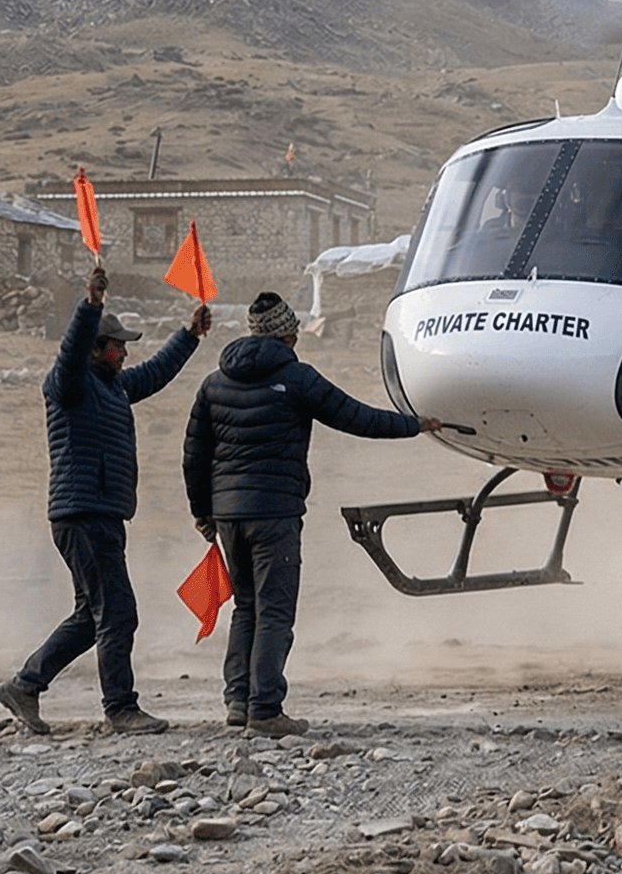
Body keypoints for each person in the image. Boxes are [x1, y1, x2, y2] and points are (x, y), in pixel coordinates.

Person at [182, 290, 436, 735]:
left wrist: (202, 512)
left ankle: (238, 701)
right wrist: (414, 425)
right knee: (275, 611)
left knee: (246, 606)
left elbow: (194, 456)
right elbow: (356, 417)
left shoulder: (214, 383)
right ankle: (265, 709)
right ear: (288, 334)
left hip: (228, 516)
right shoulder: (297, 378)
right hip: (275, 514)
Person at [0, 267, 209, 735]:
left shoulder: (113, 386)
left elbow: (155, 373)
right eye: (117, 345)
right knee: (117, 612)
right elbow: (71, 351)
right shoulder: (69, 384)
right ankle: (120, 708)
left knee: (91, 615)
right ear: (96, 347)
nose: (125, 352)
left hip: (101, 514)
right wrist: (91, 305)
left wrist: (189, 335)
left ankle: (25, 685)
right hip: (83, 513)